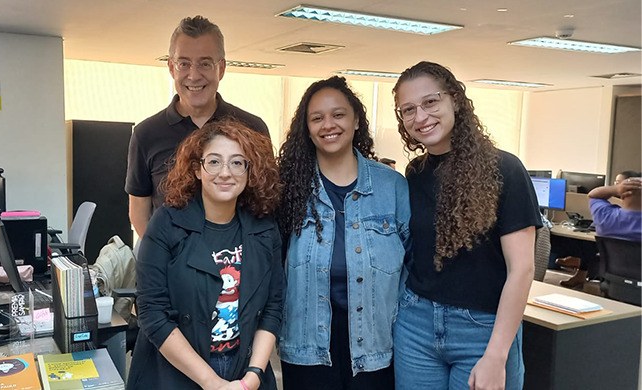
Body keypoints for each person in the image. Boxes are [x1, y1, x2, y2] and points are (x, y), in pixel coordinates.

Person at [391, 61, 541, 390]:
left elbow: (522, 269)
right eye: (408, 109)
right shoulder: (415, 173)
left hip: (483, 329)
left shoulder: (505, 169)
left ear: (455, 100)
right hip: (416, 324)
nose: (420, 116)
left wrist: (496, 355)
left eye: (431, 102)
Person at [127, 120, 284, 390]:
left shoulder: (264, 227)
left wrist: (253, 376)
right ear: (197, 169)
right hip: (177, 371)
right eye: (214, 162)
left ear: (250, 171)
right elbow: (153, 313)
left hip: (245, 370)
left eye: (237, 163)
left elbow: (273, 307)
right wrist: (212, 383)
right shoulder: (166, 223)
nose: (225, 172)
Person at [276, 76, 410, 390]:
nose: (328, 125)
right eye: (317, 118)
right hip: (306, 348)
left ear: (356, 120)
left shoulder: (391, 187)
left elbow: (414, 268)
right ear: (306, 128)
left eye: (338, 114)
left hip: (376, 346)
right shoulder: (287, 188)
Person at [126, 15, 270, 238]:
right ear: (171, 68)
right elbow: (139, 212)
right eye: (184, 63)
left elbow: (265, 202)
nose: (193, 75)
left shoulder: (252, 128)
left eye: (205, 63)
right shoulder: (146, 134)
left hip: (237, 258)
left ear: (221, 69)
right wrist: (159, 253)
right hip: (171, 259)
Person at [557, 170, 642, 287]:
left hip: (614, 286)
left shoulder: (605, 216)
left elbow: (593, 194)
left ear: (622, 194)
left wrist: (617, 189)